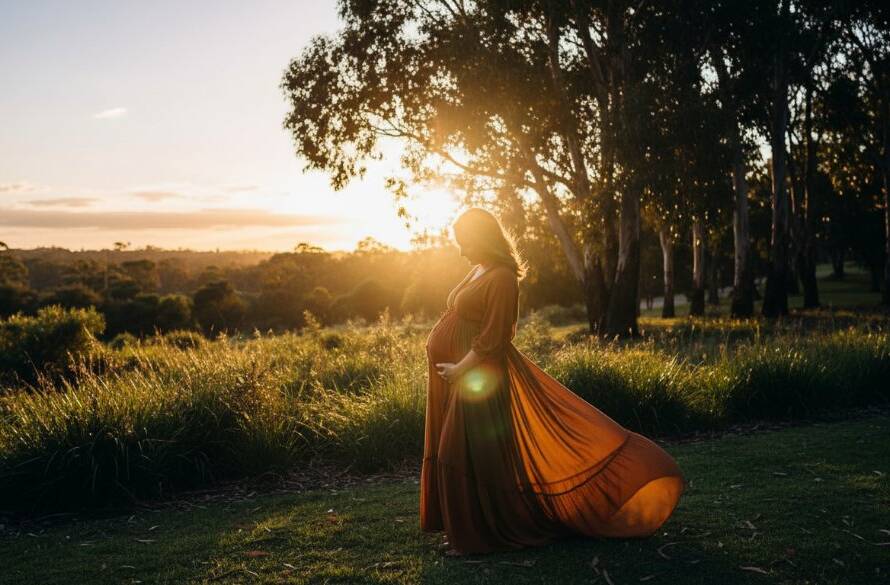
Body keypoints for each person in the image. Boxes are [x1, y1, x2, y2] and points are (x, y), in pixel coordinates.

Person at [421, 207, 685, 556]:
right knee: (459, 451)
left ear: (481, 238)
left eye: (464, 242)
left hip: (479, 377)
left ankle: (482, 537)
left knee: (465, 452)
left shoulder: (502, 276)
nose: (461, 250)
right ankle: (465, 531)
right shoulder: (478, 269)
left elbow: (496, 335)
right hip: (457, 376)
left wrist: (462, 368)